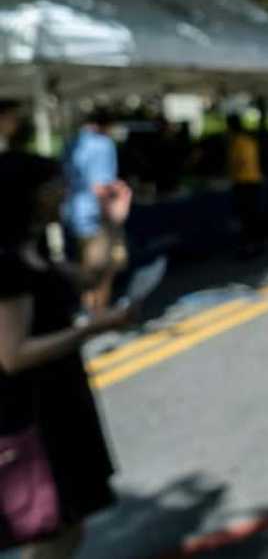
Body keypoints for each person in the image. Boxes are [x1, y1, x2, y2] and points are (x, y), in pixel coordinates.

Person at [0, 152, 135, 557]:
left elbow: (90, 276)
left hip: (58, 408)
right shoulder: (7, 263)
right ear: (33, 195)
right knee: (47, 534)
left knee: (69, 527)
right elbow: (13, 354)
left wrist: (111, 222)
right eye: (56, 185)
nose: (64, 193)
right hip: (31, 419)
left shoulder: (32, 250)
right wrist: (93, 328)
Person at [61, 110, 126, 316]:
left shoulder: (71, 143)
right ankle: (99, 314)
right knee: (103, 268)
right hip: (95, 214)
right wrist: (113, 218)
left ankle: (87, 309)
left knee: (84, 266)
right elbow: (102, 187)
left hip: (72, 213)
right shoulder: (103, 144)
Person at [226, 113, 264, 257]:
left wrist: (231, 171)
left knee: (246, 216)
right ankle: (255, 244)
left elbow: (240, 162)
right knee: (253, 215)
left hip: (244, 182)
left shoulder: (238, 143)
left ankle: (250, 246)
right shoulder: (249, 141)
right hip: (254, 181)